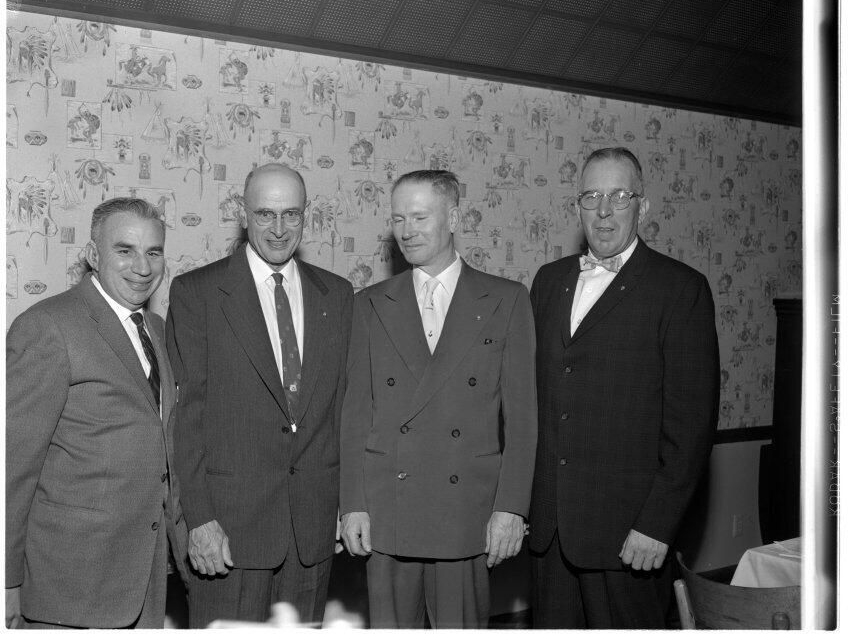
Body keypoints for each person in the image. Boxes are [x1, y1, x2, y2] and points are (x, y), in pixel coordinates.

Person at [528, 147, 720, 629]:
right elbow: (536, 402)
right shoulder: (548, 282)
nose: (604, 211)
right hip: (551, 532)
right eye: (591, 197)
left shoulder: (680, 289)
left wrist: (657, 525)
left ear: (643, 206)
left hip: (629, 538)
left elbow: (691, 426)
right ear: (577, 207)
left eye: (619, 196)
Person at [339, 169, 537, 629]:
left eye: (420, 217)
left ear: (455, 218)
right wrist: (353, 504)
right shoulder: (370, 304)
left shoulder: (506, 300)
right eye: (398, 219)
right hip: (389, 508)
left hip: (466, 511)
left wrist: (511, 508)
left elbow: (523, 419)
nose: (406, 231)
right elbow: (355, 414)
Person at [166, 163, 353, 628]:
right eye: (265, 214)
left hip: (311, 531)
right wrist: (200, 520)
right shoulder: (198, 293)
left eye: (291, 214)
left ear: (306, 215)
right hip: (228, 532)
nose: (279, 228)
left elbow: (342, 411)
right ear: (242, 214)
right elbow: (186, 419)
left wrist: (345, 505)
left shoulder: (337, 294)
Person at [5, 198, 188, 628]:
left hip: (143, 580)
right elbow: (12, 467)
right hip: (69, 584)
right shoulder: (48, 326)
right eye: (125, 250)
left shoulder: (157, 329)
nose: (142, 267)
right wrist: (6, 580)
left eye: (154, 252)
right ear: (92, 254)